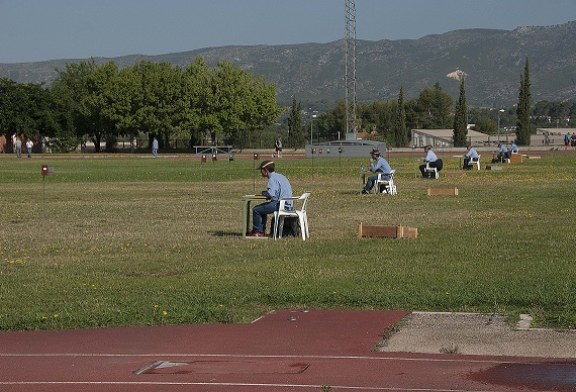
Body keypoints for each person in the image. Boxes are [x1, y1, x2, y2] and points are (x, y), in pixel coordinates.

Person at [249, 160, 293, 237]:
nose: (260, 172)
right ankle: (260, 231)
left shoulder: (272, 179)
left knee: (256, 210)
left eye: (261, 170)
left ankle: (257, 231)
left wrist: (264, 193)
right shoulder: (280, 176)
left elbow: (271, 194)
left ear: (265, 170)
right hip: (288, 205)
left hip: (279, 204)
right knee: (262, 209)